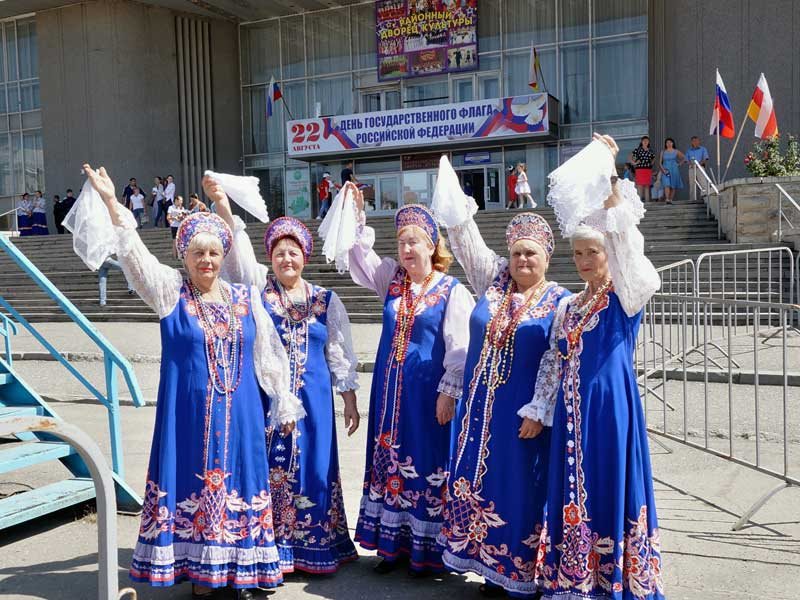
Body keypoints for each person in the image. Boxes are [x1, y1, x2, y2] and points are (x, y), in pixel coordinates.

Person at [78, 163, 305, 600]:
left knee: (239, 485)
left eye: (214, 252)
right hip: (188, 419)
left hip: (241, 417)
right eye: (198, 253)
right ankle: (203, 576)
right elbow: (135, 257)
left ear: (223, 255)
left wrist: (282, 400)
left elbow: (268, 352)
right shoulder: (170, 291)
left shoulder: (243, 297)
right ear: (184, 256)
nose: (207, 261)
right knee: (194, 486)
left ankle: (237, 571)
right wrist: (111, 202)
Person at [519, 134, 664, 599]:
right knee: (573, 491)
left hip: (608, 411)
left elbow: (629, 249)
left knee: (608, 483)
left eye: (592, 252)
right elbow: (552, 362)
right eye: (578, 253)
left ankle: (617, 580)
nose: (583, 261)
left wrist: (612, 189)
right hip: (570, 414)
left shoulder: (625, 294)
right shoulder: (568, 306)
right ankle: (576, 578)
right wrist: (540, 408)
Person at [431, 158, 570, 598]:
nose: (522, 259)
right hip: (479, 413)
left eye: (531, 252)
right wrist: (451, 194)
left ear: (547, 257)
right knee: (481, 483)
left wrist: (541, 408)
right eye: (516, 252)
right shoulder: (493, 285)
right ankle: (489, 568)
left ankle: (521, 575)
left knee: (519, 490)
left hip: (522, 414)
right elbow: (467, 241)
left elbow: (556, 359)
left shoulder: (560, 301)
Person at [211, 184, 361, 575]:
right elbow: (238, 257)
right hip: (268, 398)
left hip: (315, 403)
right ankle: (272, 545)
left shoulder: (327, 300)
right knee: (270, 467)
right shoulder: (259, 292)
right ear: (271, 258)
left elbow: (340, 351)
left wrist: (348, 398)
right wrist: (225, 208)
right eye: (279, 252)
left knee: (314, 467)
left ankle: (316, 546)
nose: (286, 258)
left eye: (293, 252)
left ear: (305, 257)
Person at [344, 189, 474, 576]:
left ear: (432, 245)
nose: (406, 249)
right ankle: (392, 547)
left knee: (426, 462)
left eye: (413, 241)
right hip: (388, 396)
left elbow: (460, 347)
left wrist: (449, 393)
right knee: (389, 460)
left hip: (426, 396)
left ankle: (428, 553)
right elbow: (359, 257)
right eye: (401, 242)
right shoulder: (391, 281)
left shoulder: (452, 290)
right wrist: (357, 216)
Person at [658, 138, 686, 205]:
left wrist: (679, 164)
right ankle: (667, 199)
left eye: (670, 142)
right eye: (667, 142)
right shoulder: (663, 151)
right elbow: (660, 163)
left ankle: (670, 199)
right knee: (666, 184)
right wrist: (663, 170)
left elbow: (684, 157)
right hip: (666, 170)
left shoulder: (676, 151)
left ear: (673, 143)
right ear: (665, 144)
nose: (669, 144)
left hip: (674, 170)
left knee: (673, 185)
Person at [685, 136, 710, 201]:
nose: (695, 142)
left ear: (699, 141)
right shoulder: (689, 150)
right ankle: (692, 199)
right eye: (694, 141)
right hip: (691, 168)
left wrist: (698, 164)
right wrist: (691, 164)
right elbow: (686, 160)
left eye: (697, 140)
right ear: (691, 142)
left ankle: (704, 197)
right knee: (692, 184)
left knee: (703, 182)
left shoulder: (703, 149)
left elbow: (705, 158)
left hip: (700, 167)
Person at [631, 136, 655, 203]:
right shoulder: (637, 150)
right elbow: (630, 156)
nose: (645, 142)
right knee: (640, 185)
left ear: (648, 142)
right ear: (641, 142)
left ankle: (647, 202)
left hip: (647, 169)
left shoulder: (650, 150)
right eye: (644, 141)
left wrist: (651, 164)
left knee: (647, 186)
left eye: (647, 141)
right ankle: (639, 202)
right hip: (639, 169)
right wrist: (634, 163)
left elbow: (653, 158)